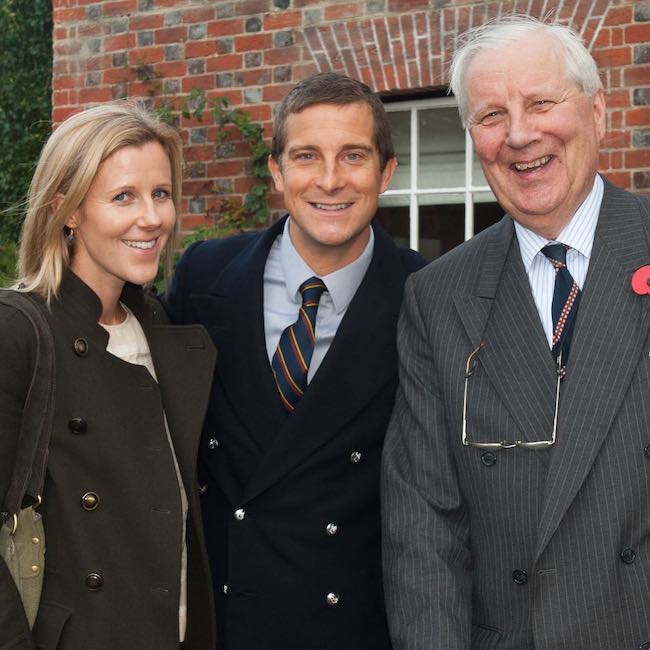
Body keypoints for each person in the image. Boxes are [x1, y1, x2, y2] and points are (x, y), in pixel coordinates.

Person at [381, 15, 650, 650]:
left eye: (541, 103)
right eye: (492, 115)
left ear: (598, 112)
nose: (520, 135)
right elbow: (425, 527)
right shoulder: (437, 295)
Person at [164, 72, 427, 650]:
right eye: (307, 156)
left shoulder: (429, 296)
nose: (330, 180)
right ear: (278, 172)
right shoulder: (202, 277)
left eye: (352, 156)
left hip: (355, 626)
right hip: (220, 624)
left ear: (385, 171)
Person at [0, 102, 217, 649]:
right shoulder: (19, 331)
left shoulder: (161, 328)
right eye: (123, 197)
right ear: (68, 210)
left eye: (161, 194)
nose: (152, 218)